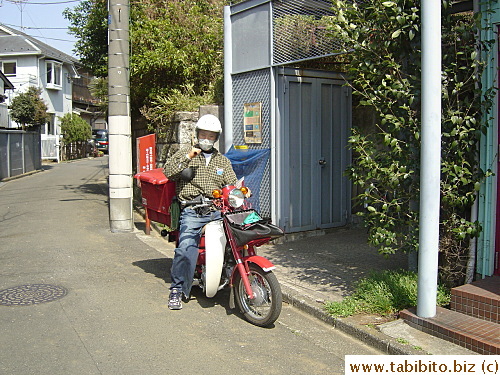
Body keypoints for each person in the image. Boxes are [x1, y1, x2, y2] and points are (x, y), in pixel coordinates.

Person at [163, 114, 238, 310]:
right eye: (203, 134)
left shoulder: (222, 161)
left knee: (237, 241)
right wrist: (188, 159)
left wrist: (237, 192)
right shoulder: (185, 153)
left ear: (216, 138)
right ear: (197, 135)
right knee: (186, 247)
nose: (206, 139)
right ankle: (177, 289)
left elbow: (230, 182)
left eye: (211, 136)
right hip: (192, 210)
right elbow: (168, 172)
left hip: (216, 210)